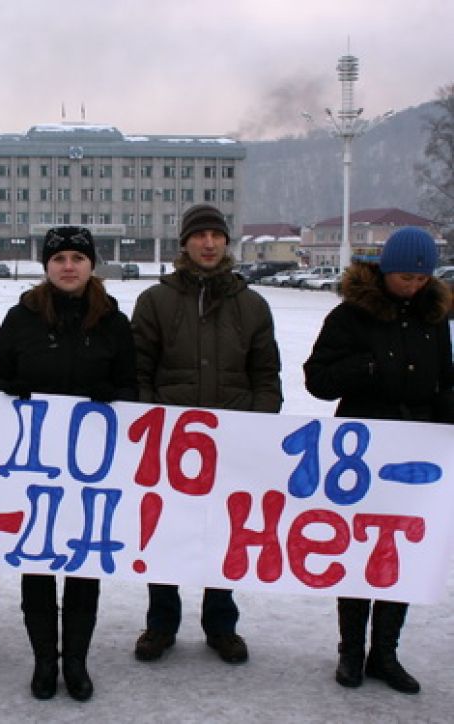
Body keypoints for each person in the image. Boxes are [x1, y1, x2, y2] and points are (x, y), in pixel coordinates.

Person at [0, 226, 138, 701]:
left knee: (83, 565)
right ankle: (44, 661)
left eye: (77, 257)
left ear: (92, 264)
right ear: (45, 266)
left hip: (91, 468)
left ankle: (76, 660)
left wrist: (114, 398)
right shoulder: (22, 317)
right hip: (34, 467)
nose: (68, 266)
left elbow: (132, 388)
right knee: (39, 564)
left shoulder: (113, 320)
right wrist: (8, 390)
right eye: (59, 258)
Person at [130, 204, 282, 666]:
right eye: (201, 236)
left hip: (232, 444)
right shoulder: (156, 301)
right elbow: (140, 370)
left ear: (227, 243)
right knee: (166, 533)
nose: (209, 243)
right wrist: (151, 422)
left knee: (224, 533)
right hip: (170, 445)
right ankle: (161, 624)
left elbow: (266, 375)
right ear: (185, 244)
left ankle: (222, 625)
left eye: (217, 235)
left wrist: (255, 425)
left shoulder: (251, 304)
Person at [303, 227, 452, 694]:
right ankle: (350, 652)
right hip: (362, 451)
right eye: (406, 277)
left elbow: (445, 380)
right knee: (360, 552)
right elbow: (318, 379)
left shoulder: (434, 317)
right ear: (386, 272)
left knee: (399, 554)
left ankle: (385, 653)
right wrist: (365, 369)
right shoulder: (351, 315)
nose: (414, 285)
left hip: (417, 450)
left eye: (421, 278)